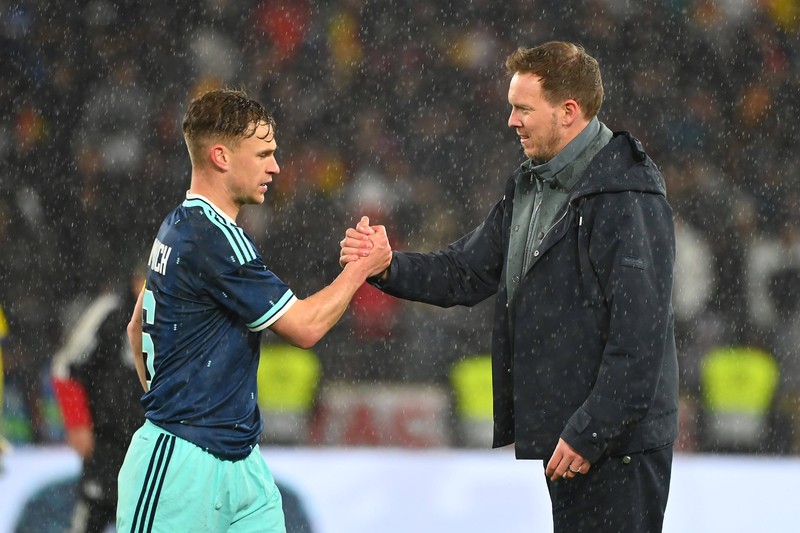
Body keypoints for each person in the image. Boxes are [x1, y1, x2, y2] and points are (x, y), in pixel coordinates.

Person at [341, 41, 678, 533]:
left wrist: (592, 431)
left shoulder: (628, 199)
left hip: (617, 447)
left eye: (523, 108)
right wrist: (389, 266)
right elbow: (466, 272)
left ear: (569, 112)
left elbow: (639, 339)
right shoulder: (530, 187)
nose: (511, 121)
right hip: (572, 439)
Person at [117, 88, 391, 532]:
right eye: (263, 154)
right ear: (222, 157)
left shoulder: (179, 225)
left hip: (239, 462)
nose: (275, 167)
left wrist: (175, 401)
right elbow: (304, 327)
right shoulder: (212, 238)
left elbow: (136, 329)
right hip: (181, 470)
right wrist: (361, 268)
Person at [51, 267, 146, 533]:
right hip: (106, 442)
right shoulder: (109, 311)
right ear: (136, 280)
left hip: (150, 450)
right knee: (91, 517)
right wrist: (77, 422)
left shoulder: (180, 316)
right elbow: (65, 366)